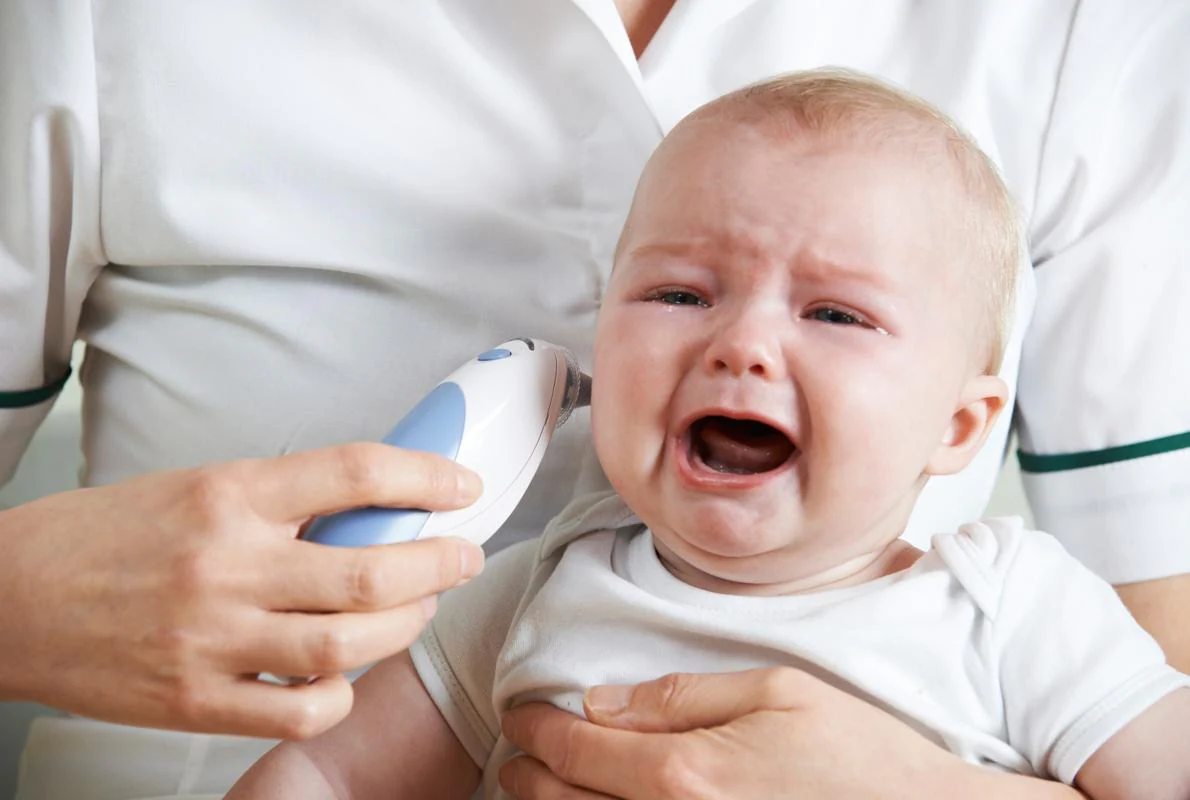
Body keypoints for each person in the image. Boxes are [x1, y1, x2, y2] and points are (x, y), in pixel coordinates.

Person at [2, 2, 1187, 798]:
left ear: (959, 425)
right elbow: (327, 775)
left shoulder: (1010, 610)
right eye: (676, 291)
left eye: (833, 314)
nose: (742, 347)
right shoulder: (534, 591)